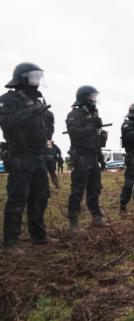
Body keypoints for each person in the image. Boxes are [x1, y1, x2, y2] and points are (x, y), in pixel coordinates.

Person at [0, 62, 52, 253]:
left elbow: (43, 130)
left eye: (40, 76)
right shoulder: (9, 99)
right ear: (23, 78)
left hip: (38, 155)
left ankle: (38, 236)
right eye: (34, 76)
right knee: (18, 198)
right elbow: (7, 123)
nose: (38, 80)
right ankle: (11, 242)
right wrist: (30, 112)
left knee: (40, 196)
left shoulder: (38, 100)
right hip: (20, 155)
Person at [66, 85, 108, 232]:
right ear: (84, 97)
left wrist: (101, 159)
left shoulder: (94, 114)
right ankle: (73, 221)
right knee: (78, 190)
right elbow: (75, 134)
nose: (95, 99)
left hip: (92, 156)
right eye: (92, 96)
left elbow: (95, 140)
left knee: (95, 188)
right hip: (81, 156)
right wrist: (91, 125)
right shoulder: (74, 114)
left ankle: (96, 217)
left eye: (95, 96)